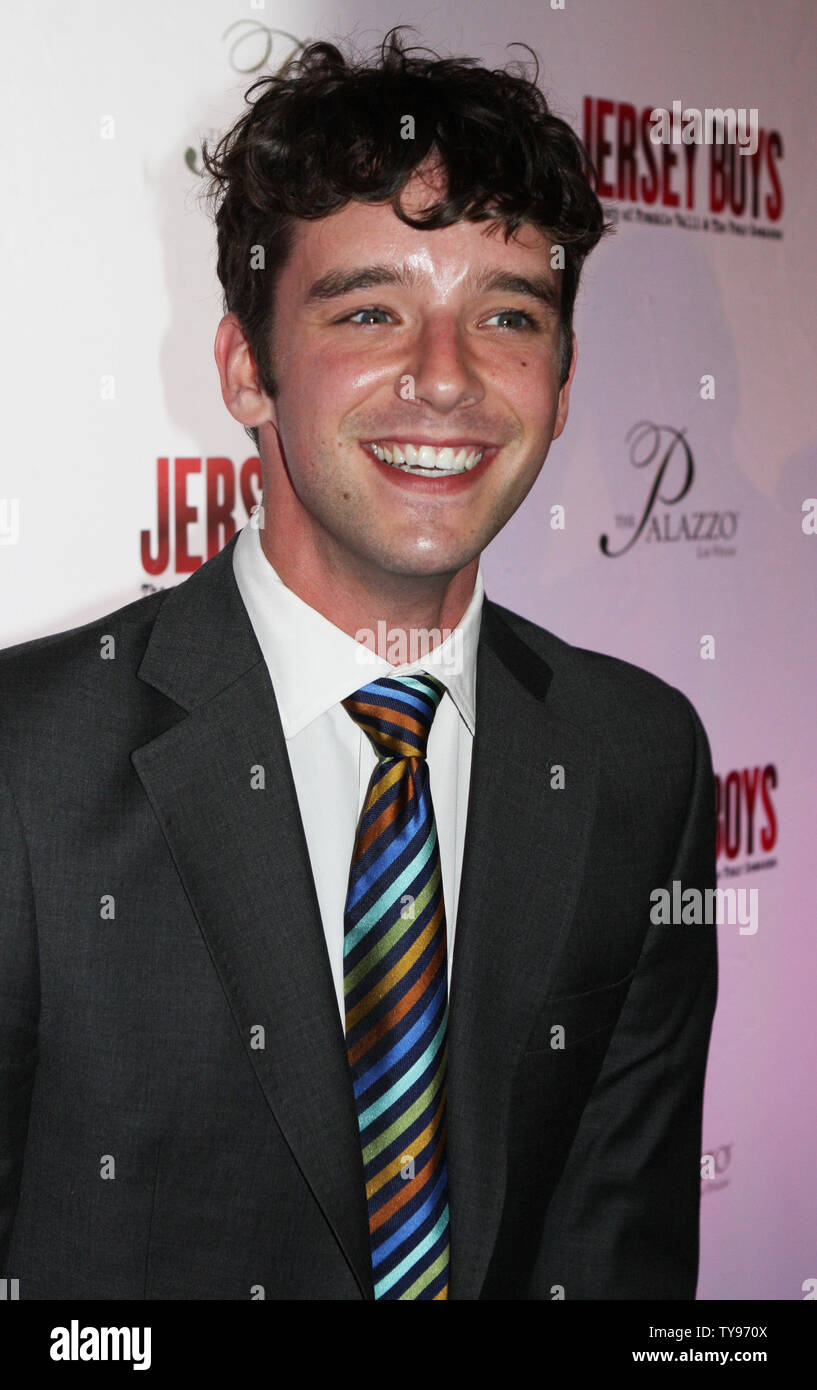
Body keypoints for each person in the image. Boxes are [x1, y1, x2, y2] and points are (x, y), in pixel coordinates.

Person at [0, 30, 717, 1300]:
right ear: (246, 370)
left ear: (559, 386)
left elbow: (617, 1255)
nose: (443, 380)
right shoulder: (24, 764)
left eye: (505, 315)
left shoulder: (636, 758)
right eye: (371, 310)